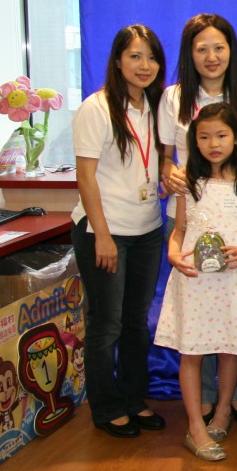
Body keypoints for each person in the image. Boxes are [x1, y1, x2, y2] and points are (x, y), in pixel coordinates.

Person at [158, 13, 237, 425]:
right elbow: (165, 157)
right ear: (189, 54)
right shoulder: (172, 98)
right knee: (199, 309)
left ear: (231, 51)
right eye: (201, 48)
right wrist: (169, 175)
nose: (211, 56)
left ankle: (233, 397)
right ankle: (204, 398)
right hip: (190, 210)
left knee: (234, 309)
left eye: (219, 47)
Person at [154, 103, 237, 461]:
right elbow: (179, 231)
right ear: (195, 141)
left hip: (233, 279)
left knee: (230, 349)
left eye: (221, 135)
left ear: (236, 138)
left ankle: (222, 412)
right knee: (191, 353)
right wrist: (173, 254)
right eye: (204, 137)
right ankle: (195, 427)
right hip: (194, 280)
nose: (213, 144)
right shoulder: (188, 182)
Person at [71, 25, 167, 438]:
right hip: (105, 232)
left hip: (148, 229)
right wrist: (102, 235)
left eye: (151, 57)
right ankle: (106, 407)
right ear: (117, 61)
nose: (145, 65)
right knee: (106, 323)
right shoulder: (96, 108)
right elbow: (85, 177)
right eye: (135, 56)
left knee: (135, 322)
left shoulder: (156, 106)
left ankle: (133, 398)